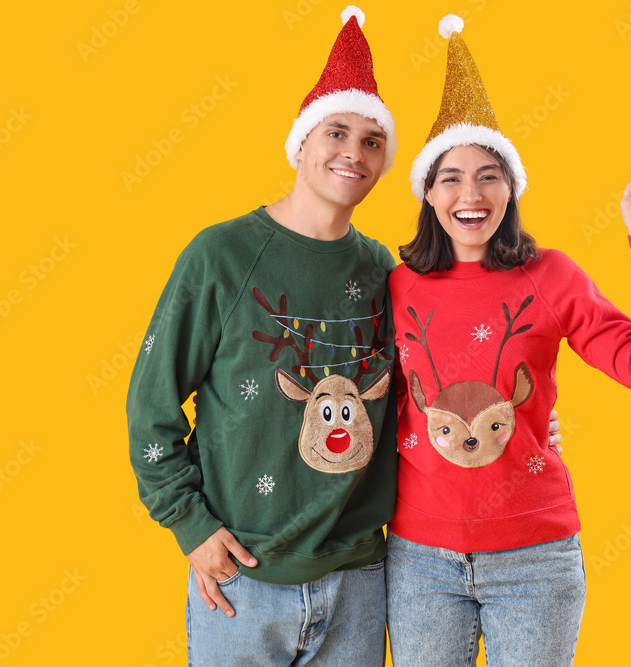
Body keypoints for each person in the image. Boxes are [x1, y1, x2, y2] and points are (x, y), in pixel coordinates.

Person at [385, 15, 631, 666]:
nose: (472, 193)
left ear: (511, 188)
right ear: (428, 193)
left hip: (534, 559)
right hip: (419, 561)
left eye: (489, 174)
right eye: (452, 176)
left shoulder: (550, 276)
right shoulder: (396, 286)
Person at [127, 7, 400, 665]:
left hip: (362, 581)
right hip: (243, 580)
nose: (353, 153)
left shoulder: (386, 271)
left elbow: (431, 388)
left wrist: (531, 420)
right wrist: (192, 527)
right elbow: (151, 407)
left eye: (372, 141)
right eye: (337, 131)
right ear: (302, 143)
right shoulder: (220, 256)